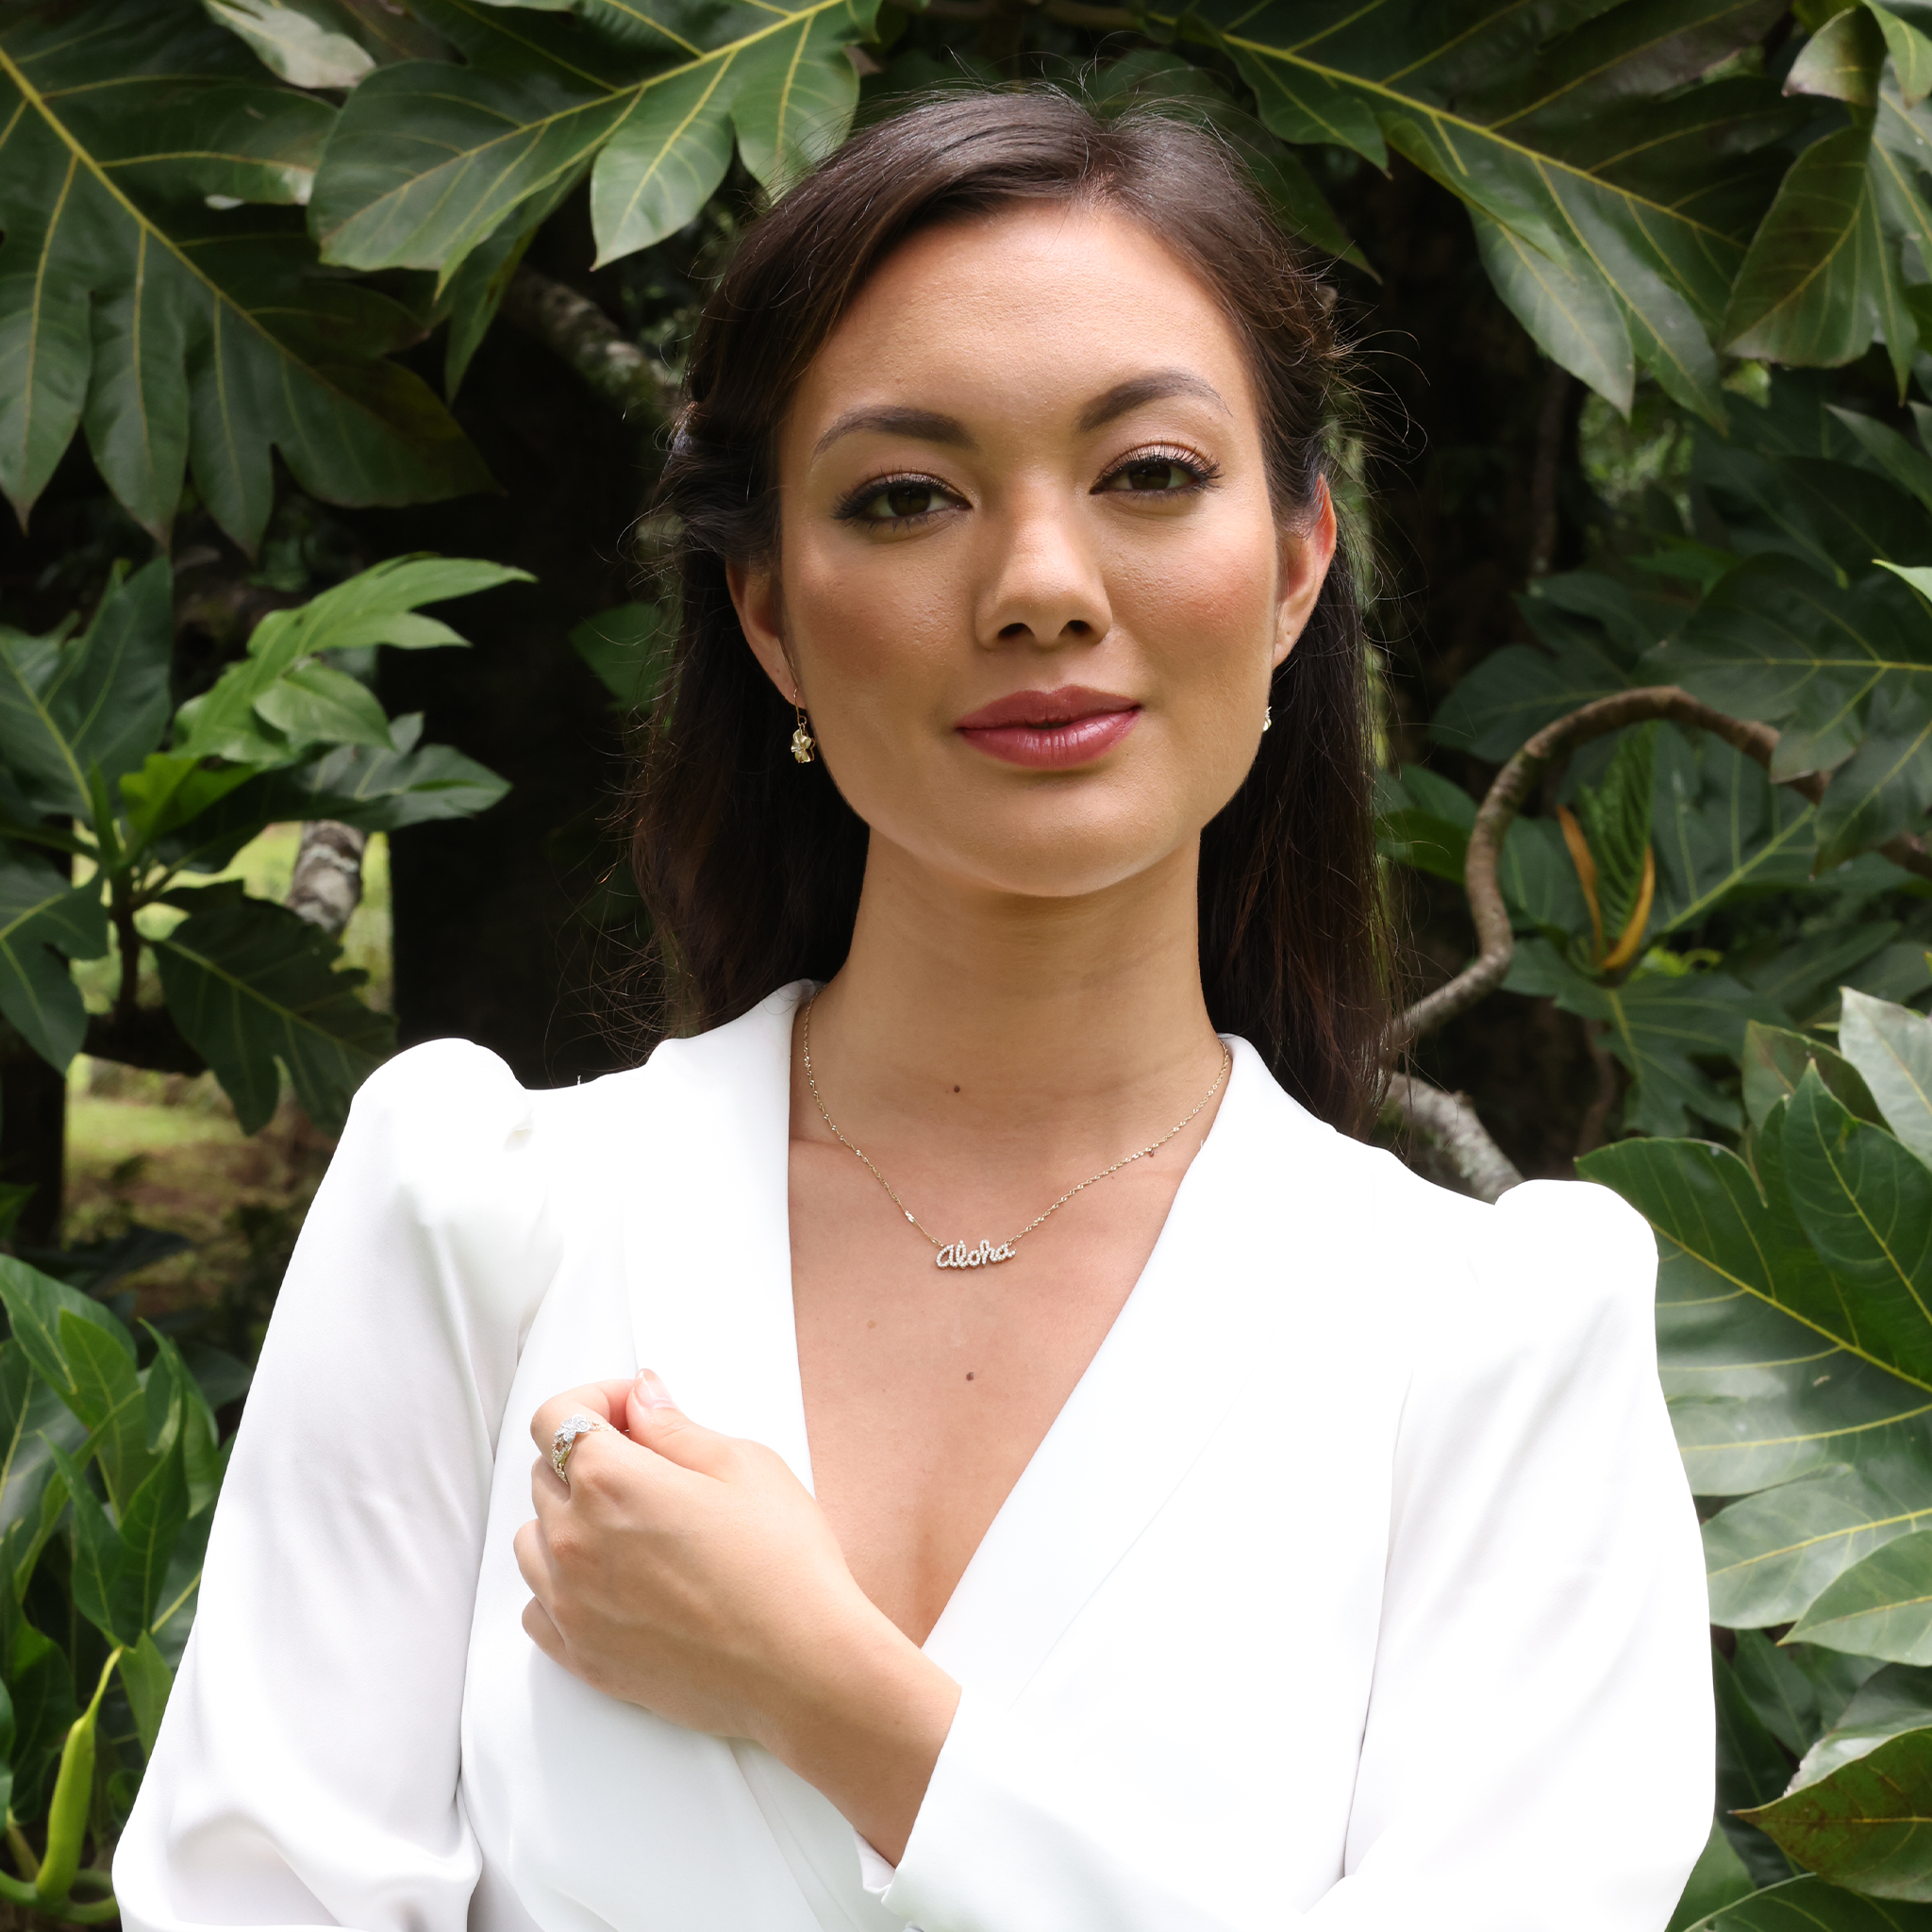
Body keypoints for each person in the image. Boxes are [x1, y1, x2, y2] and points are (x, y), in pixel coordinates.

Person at [116, 87, 1712, 1932]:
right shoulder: (481, 1217)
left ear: (1293, 563)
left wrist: (834, 1692)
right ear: (773, 614)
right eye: (905, 496)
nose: (1038, 584)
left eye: (1148, 474)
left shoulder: (1495, 1344)